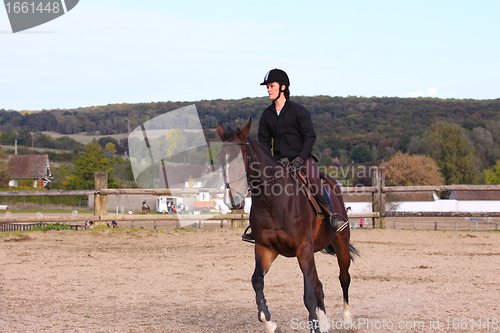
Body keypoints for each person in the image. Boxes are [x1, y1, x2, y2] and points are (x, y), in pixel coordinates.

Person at [242, 69, 348, 242]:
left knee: (314, 181)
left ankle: (333, 217)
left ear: (283, 87)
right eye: (267, 87)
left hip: (303, 159)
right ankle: (257, 227)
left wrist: (300, 158)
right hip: (278, 163)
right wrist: (267, 164)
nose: (268, 90)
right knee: (260, 186)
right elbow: (264, 143)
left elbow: (310, 137)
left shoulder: (299, 111)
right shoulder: (266, 115)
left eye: (272, 86)